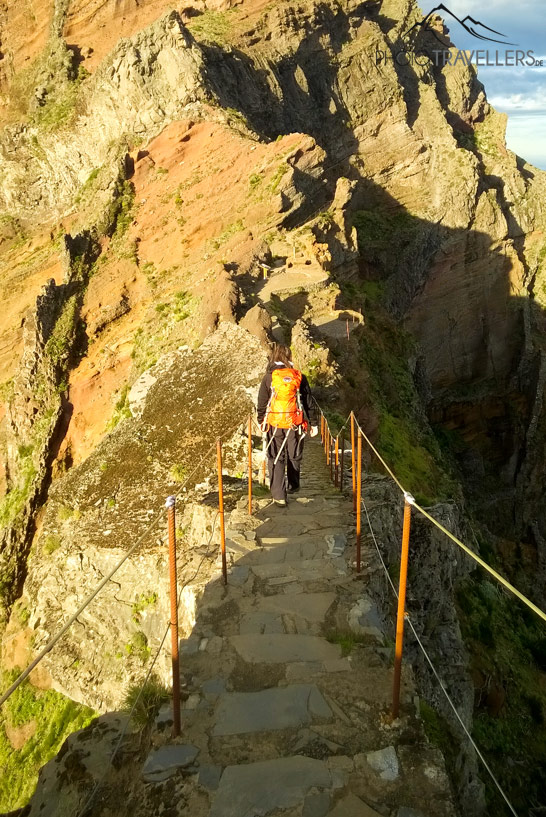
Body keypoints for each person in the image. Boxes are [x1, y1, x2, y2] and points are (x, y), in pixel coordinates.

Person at [257, 343, 318, 506]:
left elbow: (262, 401)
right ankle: (293, 485)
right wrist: (313, 424)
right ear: (289, 357)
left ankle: (279, 495)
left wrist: (261, 420)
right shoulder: (298, 376)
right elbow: (308, 401)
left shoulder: (269, 377)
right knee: (294, 452)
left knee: (276, 456)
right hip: (294, 423)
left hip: (274, 422)